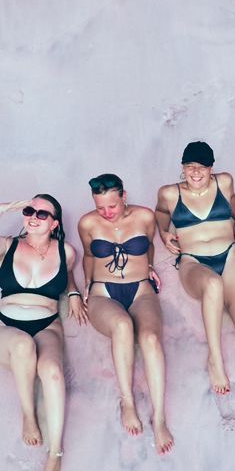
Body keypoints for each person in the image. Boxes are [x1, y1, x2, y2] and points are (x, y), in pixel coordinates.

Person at [155, 141, 235, 416]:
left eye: (202, 168)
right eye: (190, 168)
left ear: (211, 168)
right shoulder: (168, 193)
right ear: (183, 168)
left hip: (229, 253)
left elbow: (234, 201)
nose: (196, 174)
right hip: (193, 261)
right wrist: (164, 232)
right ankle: (215, 359)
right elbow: (161, 213)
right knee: (213, 285)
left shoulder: (224, 181)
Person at [0, 194, 85, 471]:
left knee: (52, 371)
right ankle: (29, 415)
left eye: (42, 214)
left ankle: (55, 452)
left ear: (54, 223)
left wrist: (72, 292)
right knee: (23, 346)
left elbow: (67, 273)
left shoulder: (66, 251)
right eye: (30, 211)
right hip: (6, 326)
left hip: (47, 325)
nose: (33, 217)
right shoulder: (9, 245)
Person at [78, 173, 173, 454]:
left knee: (151, 340)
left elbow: (151, 244)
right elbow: (88, 255)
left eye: (112, 205)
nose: (106, 213)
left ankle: (160, 417)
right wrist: (86, 284)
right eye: (100, 207)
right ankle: (127, 401)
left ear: (124, 196)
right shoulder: (87, 223)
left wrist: (151, 266)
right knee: (121, 326)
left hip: (141, 289)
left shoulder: (145, 217)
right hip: (103, 292)